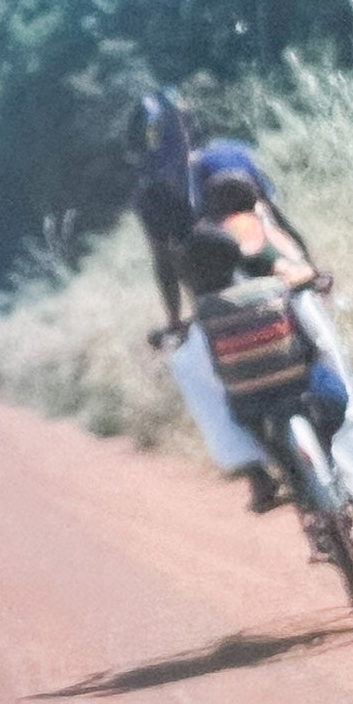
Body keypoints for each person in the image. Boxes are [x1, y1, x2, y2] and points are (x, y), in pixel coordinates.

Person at [194, 167, 353, 592]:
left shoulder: (204, 242)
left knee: (254, 421)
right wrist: (314, 277)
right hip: (294, 351)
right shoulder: (262, 226)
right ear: (257, 197)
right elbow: (296, 270)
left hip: (249, 381)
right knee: (348, 419)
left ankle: (287, 495)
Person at [125, 91, 283, 513]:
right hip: (274, 287)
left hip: (219, 307)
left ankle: (256, 473)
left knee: (195, 371)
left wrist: (176, 321)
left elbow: (164, 261)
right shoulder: (231, 155)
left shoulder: (152, 192)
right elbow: (275, 220)